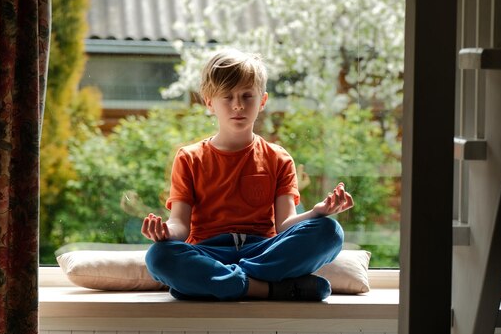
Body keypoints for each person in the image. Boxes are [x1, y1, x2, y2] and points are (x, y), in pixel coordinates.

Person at [141, 48, 354, 301]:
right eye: (227, 97)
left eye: (247, 96)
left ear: (262, 101)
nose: (238, 105)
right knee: (159, 256)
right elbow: (180, 225)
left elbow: (284, 224)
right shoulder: (189, 158)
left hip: (263, 251)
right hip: (209, 252)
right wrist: (165, 232)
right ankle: (269, 289)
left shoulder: (278, 158)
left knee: (330, 232)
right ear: (210, 103)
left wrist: (317, 212)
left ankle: (225, 283)